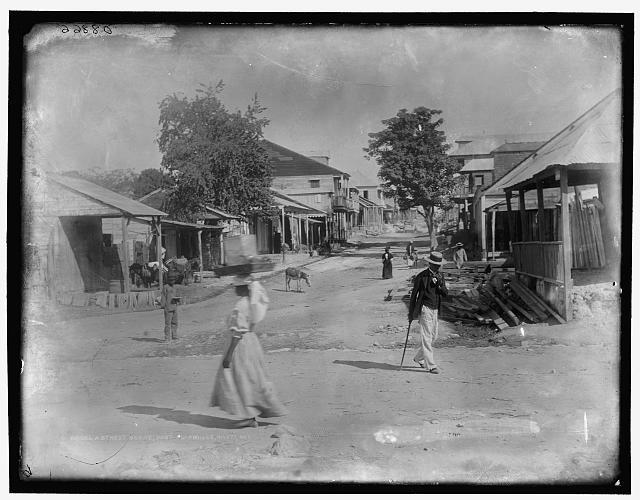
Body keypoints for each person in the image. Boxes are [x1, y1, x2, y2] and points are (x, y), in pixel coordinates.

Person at [210, 275, 288, 428]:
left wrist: (229, 354)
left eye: (237, 287)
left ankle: (248, 415)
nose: (235, 289)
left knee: (241, 378)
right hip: (252, 343)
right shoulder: (251, 304)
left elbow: (238, 332)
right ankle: (253, 412)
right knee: (252, 377)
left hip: (241, 345)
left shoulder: (241, 305)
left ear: (243, 288)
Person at [407, 251, 448, 374]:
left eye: (438, 265)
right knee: (426, 337)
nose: (437, 267)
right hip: (425, 309)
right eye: (435, 265)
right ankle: (431, 365)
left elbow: (445, 294)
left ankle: (418, 358)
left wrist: (440, 285)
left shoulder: (441, 276)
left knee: (433, 337)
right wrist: (411, 314)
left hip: (435, 309)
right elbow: (414, 296)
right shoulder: (422, 277)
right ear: (430, 264)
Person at [160, 270, 180, 342]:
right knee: (167, 323)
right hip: (168, 308)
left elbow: (175, 296)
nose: (172, 281)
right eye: (171, 280)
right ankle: (167, 337)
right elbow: (163, 297)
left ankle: (174, 335)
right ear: (168, 280)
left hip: (174, 307)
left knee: (175, 322)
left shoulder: (174, 287)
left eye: (173, 280)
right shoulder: (165, 287)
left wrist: (178, 300)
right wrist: (163, 306)